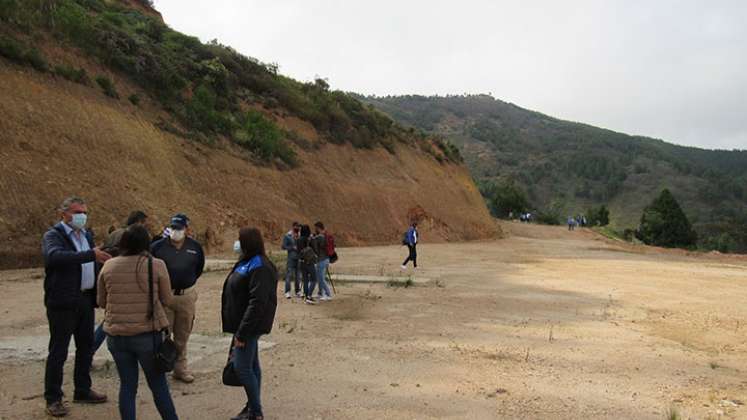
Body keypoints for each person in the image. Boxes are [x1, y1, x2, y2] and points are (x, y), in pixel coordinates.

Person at [97, 225, 179, 420]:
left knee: (127, 386)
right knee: (158, 385)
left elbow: (101, 302)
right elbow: (168, 300)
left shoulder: (108, 266)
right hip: (147, 335)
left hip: (116, 335)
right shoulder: (156, 265)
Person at [41, 196, 111, 417]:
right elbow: (54, 258)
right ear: (64, 214)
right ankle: (53, 398)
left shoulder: (86, 235)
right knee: (59, 351)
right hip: (62, 302)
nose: (82, 216)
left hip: (84, 300)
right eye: (77, 211)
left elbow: (91, 263)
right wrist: (90, 254)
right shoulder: (54, 235)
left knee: (85, 347)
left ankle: (82, 389)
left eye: (84, 212)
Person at [221, 227, 278, 420]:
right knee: (252, 366)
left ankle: (255, 412)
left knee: (242, 368)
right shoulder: (246, 261)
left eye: (239, 240)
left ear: (247, 243)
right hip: (243, 324)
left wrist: (242, 333)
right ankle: (252, 408)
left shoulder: (259, 265)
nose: (236, 244)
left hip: (249, 326)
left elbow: (257, 302)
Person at [151, 213, 205, 383]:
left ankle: (180, 368)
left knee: (182, 334)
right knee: (162, 333)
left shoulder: (195, 247)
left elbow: (199, 269)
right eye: (173, 227)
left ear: (187, 229)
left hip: (186, 295)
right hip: (164, 296)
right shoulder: (158, 247)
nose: (176, 231)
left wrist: (187, 282)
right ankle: (161, 365)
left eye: (179, 228)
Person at [93, 210, 150, 354]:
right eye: (144, 223)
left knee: (110, 318)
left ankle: (89, 351)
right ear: (138, 222)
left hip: (110, 278)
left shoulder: (114, 233)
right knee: (112, 320)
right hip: (125, 279)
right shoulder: (131, 235)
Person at [312, 221, 333, 301]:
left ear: (318, 228)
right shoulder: (326, 235)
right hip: (326, 259)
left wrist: (313, 240)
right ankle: (321, 293)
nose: (315, 230)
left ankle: (328, 294)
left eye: (315, 228)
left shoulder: (320, 237)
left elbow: (316, 249)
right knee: (321, 277)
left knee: (321, 278)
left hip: (322, 259)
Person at [297, 224, 318, 305]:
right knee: (314, 279)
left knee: (305, 280)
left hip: (302, 262)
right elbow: (315, 250)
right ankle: (309, 296)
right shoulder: (310, 239)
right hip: (310, 262)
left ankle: (306, 296)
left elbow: (298, 251)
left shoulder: (298, 240)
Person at [280, 222, 301, 299]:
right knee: (289, 275)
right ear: (293, 227)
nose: (297, 228)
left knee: (298, 275)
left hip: (299, 258)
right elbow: (283, 246)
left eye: (298, 227)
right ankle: (287, 291)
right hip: (291, 258)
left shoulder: (300, 235)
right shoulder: (287, 235)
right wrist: (292, 247)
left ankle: (297, 291)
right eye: (296, 226)